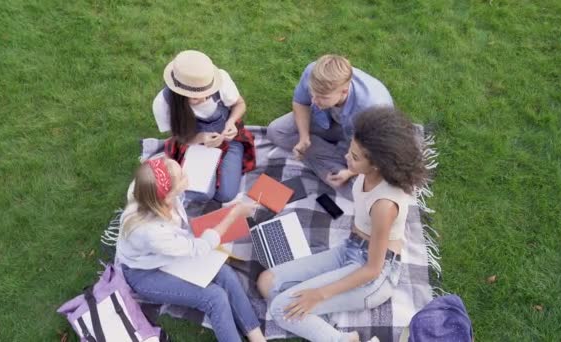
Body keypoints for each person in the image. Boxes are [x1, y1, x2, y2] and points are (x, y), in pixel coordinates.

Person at [257, 107, 426, 342]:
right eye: (351, 150)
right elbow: (360, 170)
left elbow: (372, 269)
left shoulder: (384, 205)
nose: (347, 157)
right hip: (350, 248)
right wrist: (350, 172)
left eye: (355, 157)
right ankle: (332, 329)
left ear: (377, 165)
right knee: (267, 281)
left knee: (280, 309)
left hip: (374, 275)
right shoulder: (370, 172)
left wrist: (319, 294)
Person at [116, 157, 266, 342]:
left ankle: (256, 336)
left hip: (166, 256)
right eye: (182, 176)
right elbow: (199, 247)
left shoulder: (147, 189)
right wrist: (233, 214)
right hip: (145, 274)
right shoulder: (152, 232)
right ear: (167, 195)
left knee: (225, 273)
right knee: (215, 298)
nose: (187, 175)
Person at [266, 54, 393, 188]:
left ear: (344, 92)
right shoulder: (313, 72)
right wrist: (304, 138)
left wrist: (350, 172)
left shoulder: (372, 107)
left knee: (356, 188)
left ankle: (329, 159)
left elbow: (378, 152)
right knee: (276, 131)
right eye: (312, 93)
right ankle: (327, 157)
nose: (314, 100)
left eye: (322, 97)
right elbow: (301, 103)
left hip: (361, 141)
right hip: (324, 120)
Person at [152, 50, 255, 203]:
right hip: (194, 144)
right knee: (200, 194)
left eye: (208, 91)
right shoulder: (163, 103)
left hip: (228, 140)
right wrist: (200, 138)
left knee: (225, 195)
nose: (205, 98)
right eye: (196, 96)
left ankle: (216, 171)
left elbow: (239, 104)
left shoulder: (221, 80)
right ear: (180, 93)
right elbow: (177, 135)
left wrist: (231, 122)